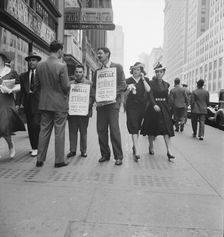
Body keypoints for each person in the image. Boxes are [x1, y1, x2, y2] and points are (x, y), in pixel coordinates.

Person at [34, 40, 70, 168]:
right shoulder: (61, 66)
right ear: (59, 50)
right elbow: (66, 86)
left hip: (45, 103)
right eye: (62, 50)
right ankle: (59, 160)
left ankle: (40, 159)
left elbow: (36, 85)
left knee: (44, 131)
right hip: (59, 103)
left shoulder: (39, 65)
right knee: (59, 132)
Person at [92, 47, 126, 166]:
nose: (98, 55)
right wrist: (94, 98)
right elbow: (94, 87)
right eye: (98, 53)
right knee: (101, 129)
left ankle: (118, 156)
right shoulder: (97, 72)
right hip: (101, 105)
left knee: (114, 130)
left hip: (112, 105)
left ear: (107, 54)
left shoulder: (118, 67)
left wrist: (111, 91)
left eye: (100, 53)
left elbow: (123, 85)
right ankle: (105, 154)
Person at [141, 63, 175, 161]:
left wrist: (169, 109)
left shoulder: (166, 84)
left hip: (164, 108)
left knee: (167, 129)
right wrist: (154, 104)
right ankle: (151, 146)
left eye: (161, 72)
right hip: (153, 108)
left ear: (164, 72)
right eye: (157, 72)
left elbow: (167, 97)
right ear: (155, 73)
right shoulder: (151, 83)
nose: (159, 74)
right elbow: (150, 94)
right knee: (151, 129)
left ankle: (169, 151)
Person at [0, 51, 25, 158]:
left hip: (6, 101)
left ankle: (10, 145)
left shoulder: (11, 72)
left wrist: (10, 90)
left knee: (4, 126)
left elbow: (19, 87)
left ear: (3, 60)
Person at [17, 52, 41, 157]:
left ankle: (38, 147)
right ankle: (34, 147)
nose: (31, 62)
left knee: (36, 125)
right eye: (29, 60)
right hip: (28, 103)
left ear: (37, 62)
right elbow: (20, 91)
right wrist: (18, 103)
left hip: (39, 103)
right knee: (30, 127)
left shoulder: (41, 75)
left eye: (34, 60)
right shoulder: (23, 76)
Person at [125, 62, 150, 162]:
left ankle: (134, 146)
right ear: (132, 70)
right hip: (131, 106)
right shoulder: (128, 80)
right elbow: (124, 94)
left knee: (137, 126)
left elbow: (148, 90)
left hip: (141, 107)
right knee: (134, 125)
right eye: (134, 69)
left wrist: (143, 79)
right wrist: (128, 89)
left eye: (138, 70)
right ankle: (137, 150)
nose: (136, 71)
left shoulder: (145, 80)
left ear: (141, 71)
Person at [67, 64, 94, 158]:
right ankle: (72, 150)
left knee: (83, 132)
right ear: (74, 72)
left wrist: (87, 105)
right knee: (72, 131)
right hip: (73, 112)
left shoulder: (89, 83)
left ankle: (83, 151)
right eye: (76, 72)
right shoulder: (70, 84)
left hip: (83, 112)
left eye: (80, 72)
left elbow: (92, 96)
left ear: (84, 73)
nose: (78, 74)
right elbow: (67, 96)